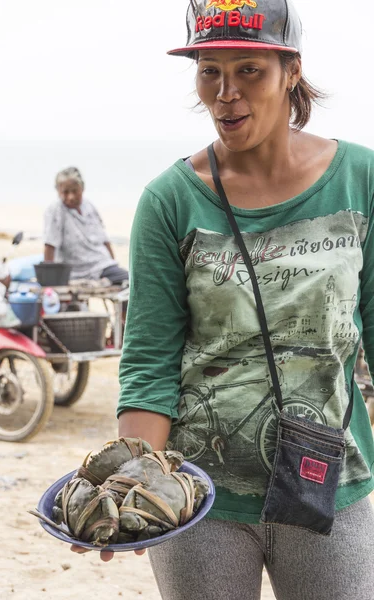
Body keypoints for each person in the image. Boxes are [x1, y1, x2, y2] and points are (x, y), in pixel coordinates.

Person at [72, 0, 374, 597]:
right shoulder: (170, 199)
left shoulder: (360, 179)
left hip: (332, 482)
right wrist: (125, 485)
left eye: (249, 70)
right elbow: (151, 360)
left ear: (291, 70)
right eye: (210, 70)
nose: (225, 93)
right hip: (196, 494)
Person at [43, 167, 128, 286]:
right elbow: (50, 245)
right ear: (58, 191)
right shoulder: (56, 210)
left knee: (130, 282)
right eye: (65, 192)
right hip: (76, 271)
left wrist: (113, 263)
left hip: (103, 265)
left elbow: (104, 240)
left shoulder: (89, 206)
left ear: (82, 188)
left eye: (74, 191)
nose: (71, 197)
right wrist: (49, 281)